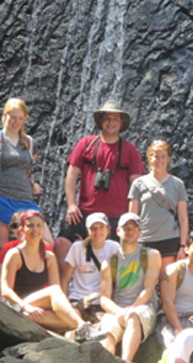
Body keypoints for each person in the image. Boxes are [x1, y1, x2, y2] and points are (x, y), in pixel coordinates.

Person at [55, 100, 146, 274]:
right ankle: (63, 286)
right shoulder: (86, 144)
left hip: (116, 215)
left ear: (121, 123)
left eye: (115, 119)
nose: (110, 123)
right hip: (84, 211)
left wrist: (132, 216)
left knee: (121, 253)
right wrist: (71, 205)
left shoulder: (130, 150)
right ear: (100, 121)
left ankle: (113, 293)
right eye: (107, 119)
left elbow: (137, 185)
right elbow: (72, 175)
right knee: (61, 243)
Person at [0, 98, 53, 293]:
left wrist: (33, 182)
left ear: (25, 119)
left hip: (25, 200)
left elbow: (28, 169)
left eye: (20, 118)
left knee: (47, 243)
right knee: (2, 247)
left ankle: (34, 290)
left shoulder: (29, 143)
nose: (16, 122)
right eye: (12, 117)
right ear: (5, 116)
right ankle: (3, 294)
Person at [1, 210, 91, 338]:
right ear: (22, 229)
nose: (35, 229)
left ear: (43, 229)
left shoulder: (49, 257)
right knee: (54, 293)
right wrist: (25, 306)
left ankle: (73, 336)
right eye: (30, 225)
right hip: (18, 306)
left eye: (38, 225)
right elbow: (6, 290)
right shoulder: (14, 254)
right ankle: (83, 328)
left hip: (34, 311)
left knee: (74, 314)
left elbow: (57, 292)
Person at [98, 212, 162, 361]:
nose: (130, 231)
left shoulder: (151, 255)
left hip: (144, 307)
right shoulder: (108, 263)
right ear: (118, 231)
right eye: (126, 228)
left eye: (134, 228)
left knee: (133, 317)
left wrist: (130, 310)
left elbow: (149, 289)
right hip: (118, 308)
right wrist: (119, 311)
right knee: (107, 331)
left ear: (140, 232)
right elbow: (104, 299)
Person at [128, 140, 188, 279]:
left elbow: (183, 219)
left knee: (167, 283)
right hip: (145, 239)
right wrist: (131, 243)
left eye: (163, 156)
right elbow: (132, 217)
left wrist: (183, 246)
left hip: (169, 239)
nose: (159, 160)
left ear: (168, 159)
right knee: (144, 283)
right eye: (156, 156)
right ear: (149, 158)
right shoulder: (139, 184)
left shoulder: (178, 184)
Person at [60, 212, 120, 322]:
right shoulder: (77, 248)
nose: (97, 231)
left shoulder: (114, 248)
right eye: (93, 228)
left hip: (101, 301)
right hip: (78, 299)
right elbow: (65, 279)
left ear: (108, 230)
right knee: (74, 319)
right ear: (88, 231)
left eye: (101, 227)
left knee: (101, 323)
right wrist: (65, 304)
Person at [0, 211, 53, 296]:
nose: (18, 229)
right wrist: (1, 296)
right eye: (14, 226)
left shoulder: (46, 249)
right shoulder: (9, 248)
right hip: (16, 298)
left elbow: (54, 285)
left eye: (22, 224)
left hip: (42, 297)